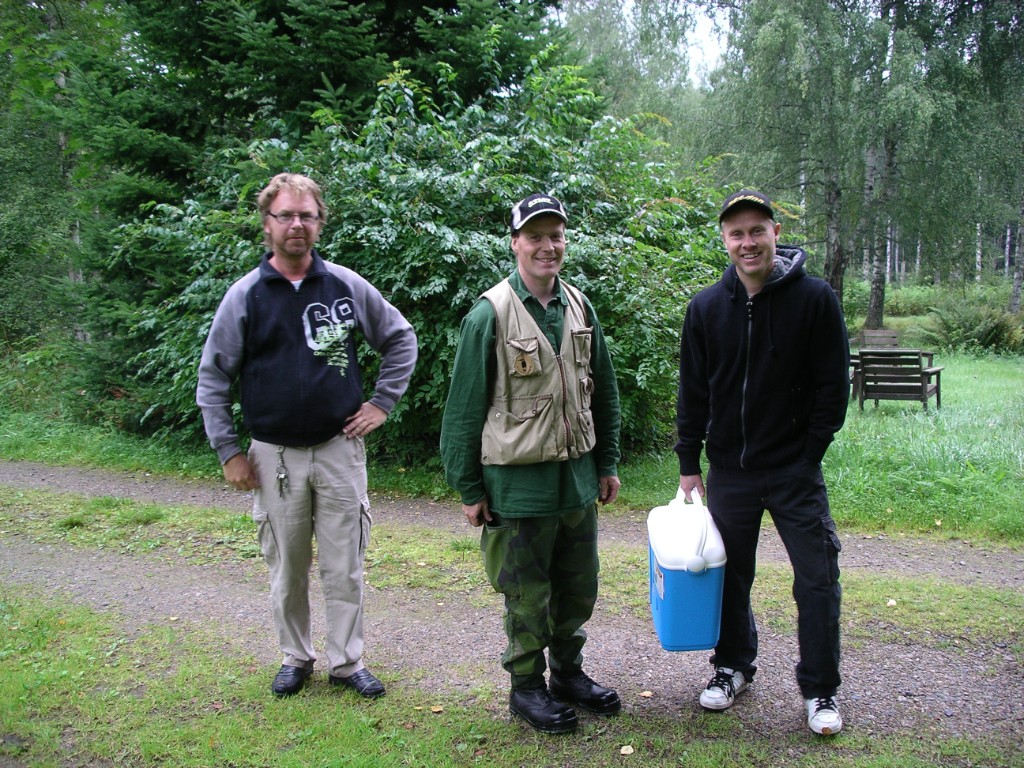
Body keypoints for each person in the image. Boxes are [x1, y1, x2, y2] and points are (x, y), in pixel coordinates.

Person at [196, 173, 417, 699]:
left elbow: (400, 338)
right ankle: (296, 657)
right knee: (287, 567)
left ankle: (348, 662)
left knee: (346, 566)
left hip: (339, 451)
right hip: (273, 457)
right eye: (285, 215)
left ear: (320, 222)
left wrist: (381, 403)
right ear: (267, 223)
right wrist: (229, 451)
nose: (297, 224)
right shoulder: (245, 296)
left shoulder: (344, 284)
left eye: (307, 215)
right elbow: (213, 377)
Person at [440, 193, 622, 734]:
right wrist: (469, 489)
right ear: (515, 242)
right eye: (535, 236)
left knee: (577, 587)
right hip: (516, 489)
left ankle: (568, 673)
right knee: (525, 595)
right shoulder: (489, 313)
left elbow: (603, 393)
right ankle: (526, 688)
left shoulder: (580, 306)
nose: (548, 246)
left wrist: (607, 462)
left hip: (576, 483)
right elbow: (463, 410)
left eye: (556, 235)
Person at [674, 189, 850, 735]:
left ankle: (819, 690)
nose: (747, 242)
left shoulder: (815, 299)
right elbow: (693, 392)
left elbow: (832, 385)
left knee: (817, 579)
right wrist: (689, 460)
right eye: (736, 233)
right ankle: (732, 666)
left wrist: (809, 453)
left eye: (757, 230)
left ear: (775, 232)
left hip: (795, 473)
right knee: (729, 577)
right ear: (725, 241)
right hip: (731, 471)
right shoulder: (705, 308)